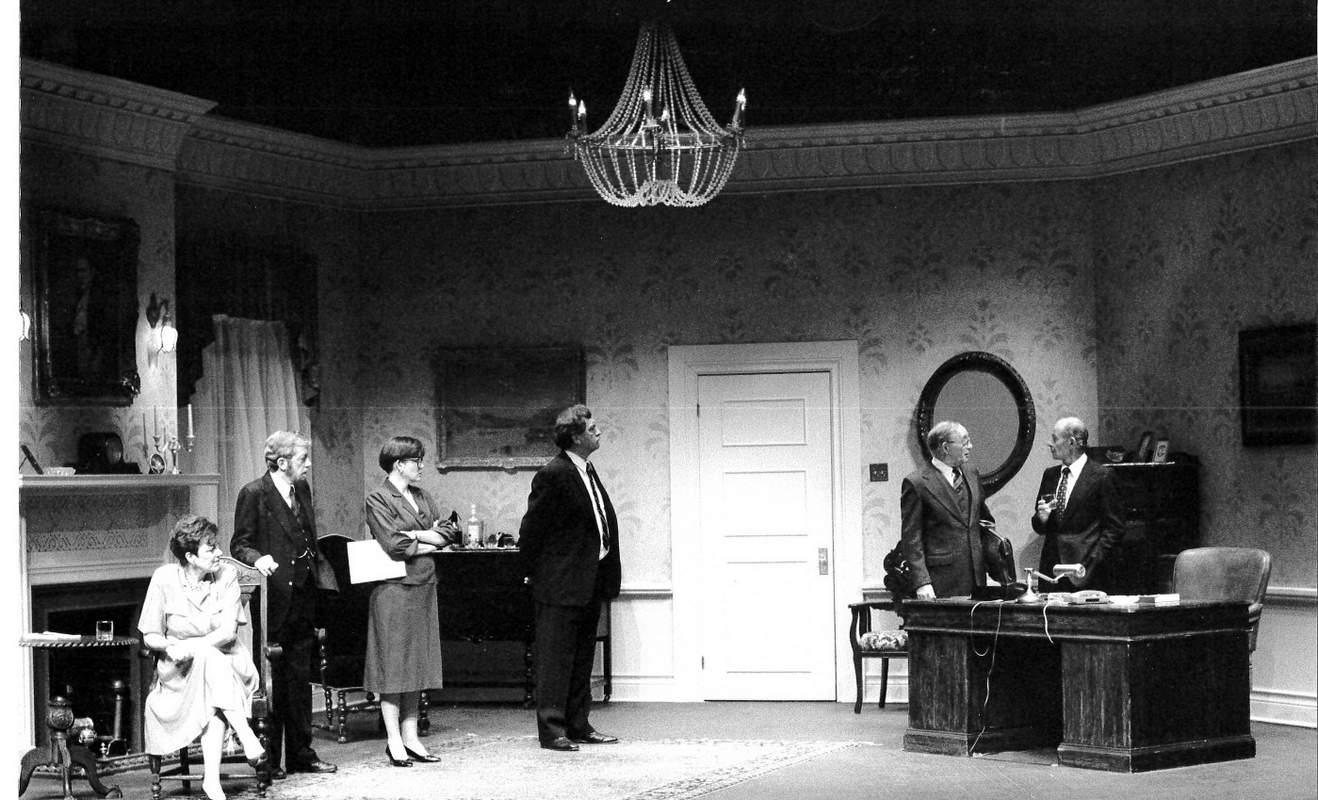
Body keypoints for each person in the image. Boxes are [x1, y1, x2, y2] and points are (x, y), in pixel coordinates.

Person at [230, 431, 338, 778]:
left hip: (304, 594)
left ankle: (301, 754)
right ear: (281, 462)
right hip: (274, 597)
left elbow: (306, 536)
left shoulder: (301, 489)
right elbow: (239, 545)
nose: (308, 465)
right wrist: (258, 558)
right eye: (303, 459)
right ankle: (270, 757)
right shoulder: (253, 493)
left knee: (300, 677)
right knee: (272, 679)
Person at [518, 405, 622, 752]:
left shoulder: (586, 470)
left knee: (580, 658)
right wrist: (536, 575)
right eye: (592, 428)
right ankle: (552, 730)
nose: (599, 432)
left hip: (589, 581)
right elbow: (532, 531)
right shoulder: (554, 473)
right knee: (555, 660)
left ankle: (578, 725)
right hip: (560, 584)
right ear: (575, 437)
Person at [140, 515, 264, 800]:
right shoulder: (164, 578)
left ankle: (215, 777)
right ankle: (241, 740)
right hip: (179, 671)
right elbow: (150, 636)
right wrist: (170, 647)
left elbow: (228, 633)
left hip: (229, 662)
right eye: (211, 548)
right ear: (190, 557)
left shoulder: (226, 575)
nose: (220, 552)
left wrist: (192, 647)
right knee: (211, 677)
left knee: (210, 658)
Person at [364, 436, 459, 767]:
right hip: (394, 590)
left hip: (423, 586)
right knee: (393, 667)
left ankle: (411, 737)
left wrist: (416, 536)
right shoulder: (378, 498)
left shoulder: (422, 496)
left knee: (417, 665)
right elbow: (394, 546)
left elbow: (448, 532)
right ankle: (394, 741)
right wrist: (426, 537)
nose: (421, 466)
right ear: (399, 464)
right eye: (416, 461)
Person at [900, 420, 996, 599]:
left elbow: (984, 521)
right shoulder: (917, 483)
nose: (970, 446)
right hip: (940, 582)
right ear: (946, 447)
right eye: (965, 442)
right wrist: (922, 582)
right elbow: (911, 539)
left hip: (977, 579)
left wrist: (995, 560)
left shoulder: (971, 473)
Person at [1031, 417, 1125, 592]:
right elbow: (1039, 525)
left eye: (1054, 439)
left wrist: (1094, 559)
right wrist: (1041, 518)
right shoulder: (1050, 475)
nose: (1049, 444)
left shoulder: (1102, 476)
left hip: (1088, 571)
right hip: (1052, 572)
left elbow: (1115, 527)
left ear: (1072, 442)